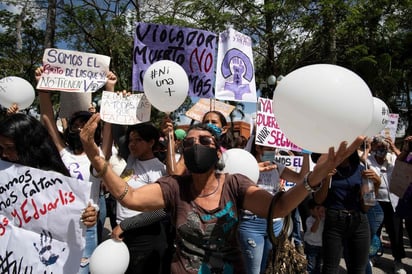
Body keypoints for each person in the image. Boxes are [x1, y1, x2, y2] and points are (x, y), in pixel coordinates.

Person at [80, 113, 364, 274]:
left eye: (204, 141)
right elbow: (128, 196)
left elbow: (278, 207)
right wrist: (95, 155)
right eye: (189, 143)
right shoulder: (173, 187)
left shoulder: (235, 184)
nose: (196, 145)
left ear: (218, 150)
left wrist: (313, 177)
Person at [36, 66, 116, 274]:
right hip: (60, 223)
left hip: (88, 224)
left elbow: (108, 124)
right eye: (76, 125)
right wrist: (43, 88)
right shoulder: (63, 153)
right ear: (69, 129)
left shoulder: (99, 154)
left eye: (86, 124)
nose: (80, 128)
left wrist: (110, 88)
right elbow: (47, 117)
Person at [238, 141, 309, 274]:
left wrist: (305, 154)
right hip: (251, 223)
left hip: (275, 224)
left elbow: (300, 178)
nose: (274, 152)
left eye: (275, 148)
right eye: (270, 148)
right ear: (258, 147)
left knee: (269, 267)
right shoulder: (245, 165)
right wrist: (253, 169)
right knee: (253, 270)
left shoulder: (276, 165)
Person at [110, 122, 171, 274]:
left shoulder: (158, 170)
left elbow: (162, 211)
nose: (132, 144)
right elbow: (117, 130)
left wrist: (126, 225)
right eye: (130, 140)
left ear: (151, 142)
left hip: (145, 237)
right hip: (125, 232)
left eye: (138, 140)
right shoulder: (131, 159)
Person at [313, 150, 381, 273]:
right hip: (334, 221)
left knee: (359, 269)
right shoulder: (326, 169)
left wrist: (376, 185)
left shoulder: (361, 169)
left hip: (359, 222)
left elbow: (366, 206)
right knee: (330, 269)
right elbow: (318, 199)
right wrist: (327, 179)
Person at [361, 135, 406, 274]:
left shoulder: (392, 159)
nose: (382, 150)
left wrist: (392, 146)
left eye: (385, 148)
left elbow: (402, 158)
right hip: (375, 201)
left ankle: (398, 261)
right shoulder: (369, 160)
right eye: (379, 147)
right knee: (374, 231)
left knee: (395, 233)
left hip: (392, 202)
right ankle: (372, 256)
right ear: (374, 148)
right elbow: (362, 160)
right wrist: (368, 148)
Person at [162, 110, 234, 175]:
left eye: (214, 122)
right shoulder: (194, 148)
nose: (209, 124)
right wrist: (170, 137)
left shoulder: (230, 154)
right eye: (206, 122)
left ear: (224, 129)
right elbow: (174, 174)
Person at [304, 198, 325, 274]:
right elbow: (313, 230)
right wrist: (318, 220)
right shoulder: (309, 220)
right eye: (317, 208)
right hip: (311, 245)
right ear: (311, 211)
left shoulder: (324, 218)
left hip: (321, 245)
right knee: (311, 266)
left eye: (321, 208)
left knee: (318, 265)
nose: (320, 210)